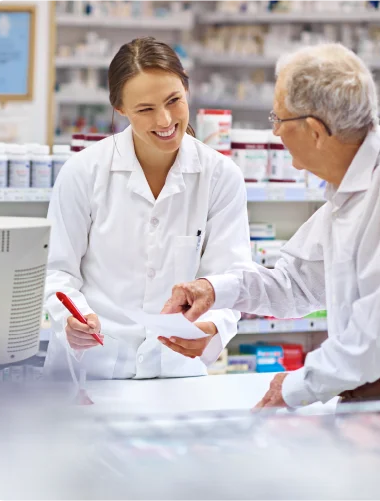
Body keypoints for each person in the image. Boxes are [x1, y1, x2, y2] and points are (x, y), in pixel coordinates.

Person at [162, 43, 380, 408]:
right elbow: (294, 284)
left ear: (313, 129)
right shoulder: (353, 192)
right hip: (377, 403)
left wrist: (296, 387)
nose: (276, 133)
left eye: (278, 119)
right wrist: (214, 289)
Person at [43, 37, 252, 380]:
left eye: (174, 101)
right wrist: (72, 319)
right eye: (145, 109)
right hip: (92, 370)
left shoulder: (220, 175)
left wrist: (212, 328)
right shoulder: (84, 172)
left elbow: (231, 277)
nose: (165, 119)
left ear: (187, 91)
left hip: (176, 372)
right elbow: (56, 271)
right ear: (121, 109)